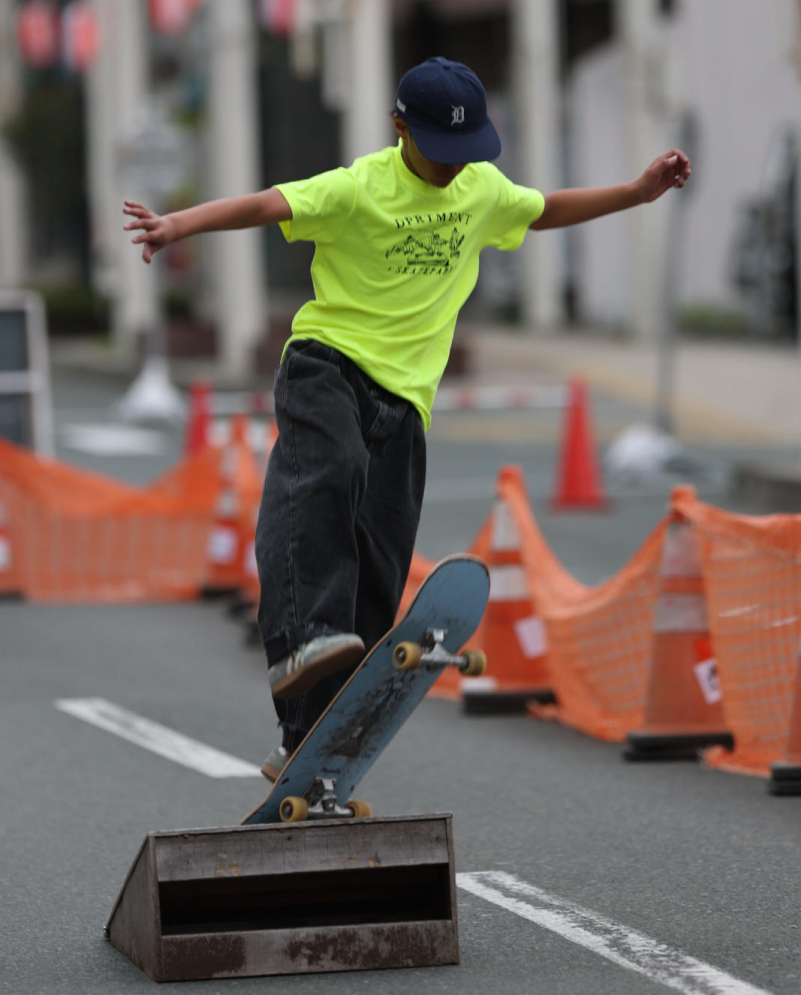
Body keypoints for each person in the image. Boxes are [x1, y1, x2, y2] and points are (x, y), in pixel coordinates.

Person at [124, 56, 691, 782]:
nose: (457, 168)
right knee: (325, 479)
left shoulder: (481, 189)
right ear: (400, 128)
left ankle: (306, 742)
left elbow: (545, 209)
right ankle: (299, 635)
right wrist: (177, 225)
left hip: (406, 402)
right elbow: (267, 205)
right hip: (327, 365)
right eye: (442, 152)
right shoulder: (359, 186)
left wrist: (636, 193)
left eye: (468, 154)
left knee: (381, 564)